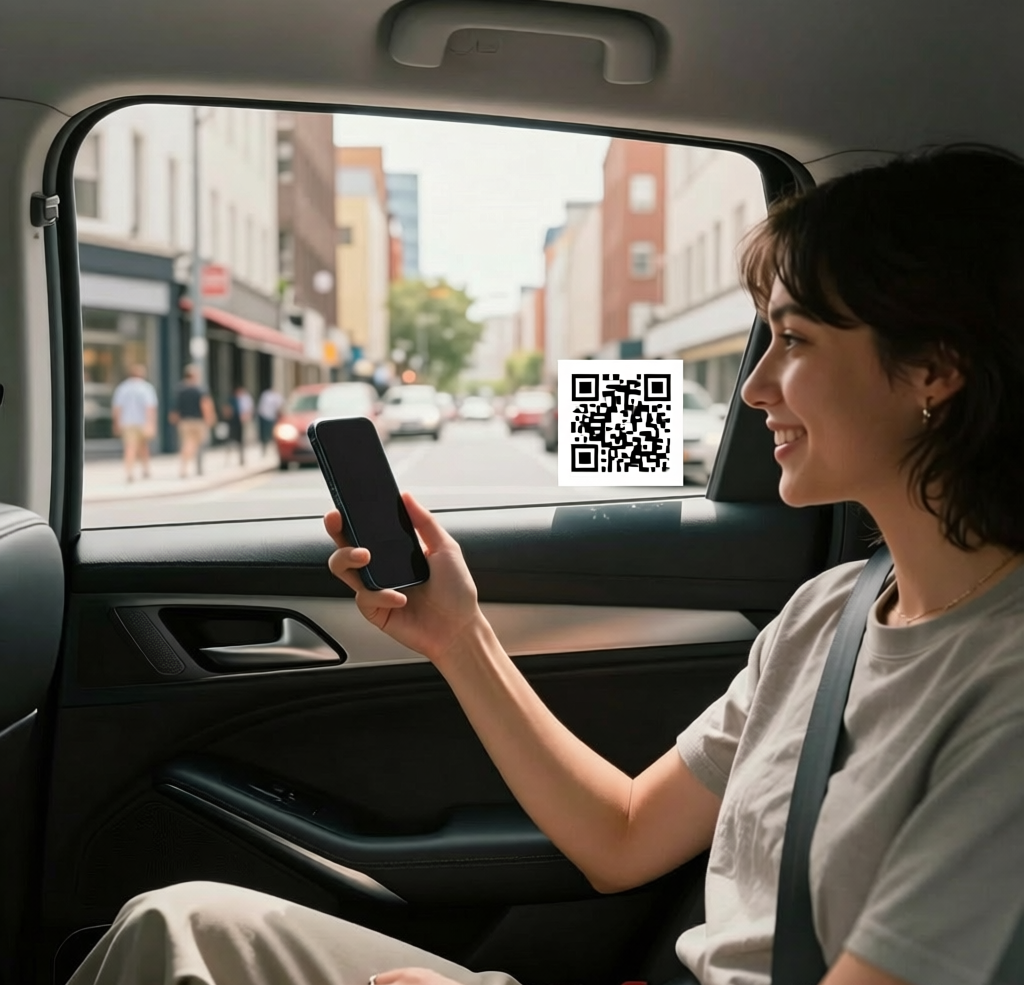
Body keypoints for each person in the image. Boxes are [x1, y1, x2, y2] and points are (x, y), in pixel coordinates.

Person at [67, 145, 1024, 985]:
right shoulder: (830, 614)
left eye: (796, 339)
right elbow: (621, 837)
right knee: (181, 920)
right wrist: (460, 635)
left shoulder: (1007, 693)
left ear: (934, 370)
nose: (756, 385)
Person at [110, 363, 157, 482]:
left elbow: (117, 408)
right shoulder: (146, 387)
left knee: (130, 447)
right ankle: (145, 469)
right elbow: (150, 408)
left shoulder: (122, 387)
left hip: (127, 422)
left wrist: (116, 423)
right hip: (142, 422)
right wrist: (151, 423)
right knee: (143, 446)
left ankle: (130, 471)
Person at [168, 364, 216, 479]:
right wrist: (210, 419)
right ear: (195, 376)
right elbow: (205, 405)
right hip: (197, 422)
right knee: (193, 444)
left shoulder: (180, 389)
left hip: (184, 421)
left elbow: (175, 407)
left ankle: (185, 466)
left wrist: (173, 417)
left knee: (187, 442)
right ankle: (187, 466)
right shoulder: (200, 389)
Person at [222, 384, 254, 465]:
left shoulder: (245, 399)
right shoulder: (231, 400)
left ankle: (241, 459)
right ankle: (227, 459)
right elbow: (226, 411)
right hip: (232, 422)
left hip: (240, 423)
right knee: (230, 441)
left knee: (241, 442)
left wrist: (246, 416)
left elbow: (249, 410)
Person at [257, 384, 285, 454]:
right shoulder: (266, 395)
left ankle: (273, 449)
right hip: (265, 416)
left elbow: (280, 406)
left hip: (273, 418)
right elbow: (262, 406)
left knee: (274, 434)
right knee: (265, 434)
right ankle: (264, 448)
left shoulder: (278, 396)